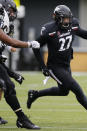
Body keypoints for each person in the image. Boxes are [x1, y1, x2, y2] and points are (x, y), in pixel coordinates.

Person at [27, 5, 87, 124]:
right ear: (57, 18)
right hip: (54, 67)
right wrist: (43, 66)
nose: (67, 21)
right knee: (77, 90)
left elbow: (83, 33)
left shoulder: (73, 24)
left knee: (64, 92)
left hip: (66, 65)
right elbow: (35, 46)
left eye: (68, 19)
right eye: (64, 19)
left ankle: (35, 94)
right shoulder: (49, 30)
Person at [0, 0, 40, 129]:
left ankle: (22, 118)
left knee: (6, 85)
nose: (12, 14)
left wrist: (12, 74)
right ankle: (22, 119)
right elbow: (11, 42)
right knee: (6, 85)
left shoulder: (7, 25)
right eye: (10, 11)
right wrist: (29, 44)